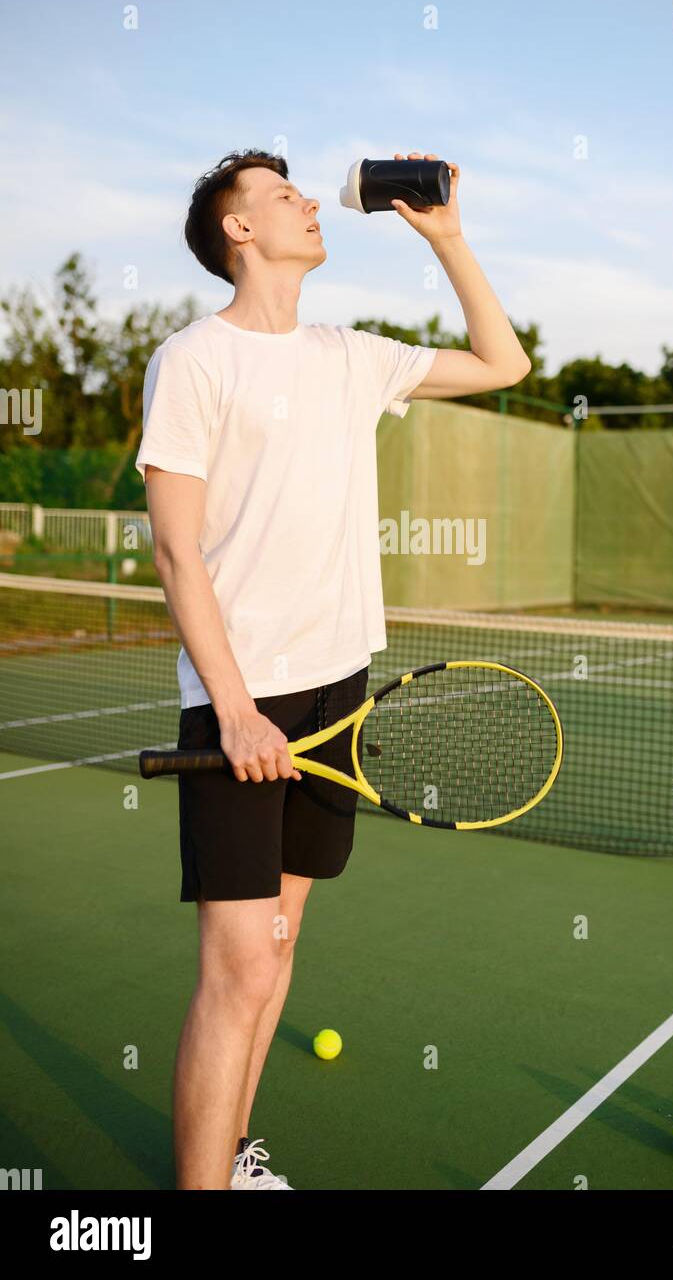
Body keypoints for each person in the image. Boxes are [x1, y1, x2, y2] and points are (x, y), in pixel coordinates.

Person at [136, 148, 530, 1190]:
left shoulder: (351, 354)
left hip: (337, 691)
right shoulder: (193, 360)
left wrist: (449, 241)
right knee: (237, 968)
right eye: (281, 197)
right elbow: (176, 551)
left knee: (280, 943)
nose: (309, 204)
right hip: (244, 699)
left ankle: (230, 1154)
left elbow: (504, 364)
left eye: (303, 193)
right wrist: (232, 710)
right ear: (238, 231)